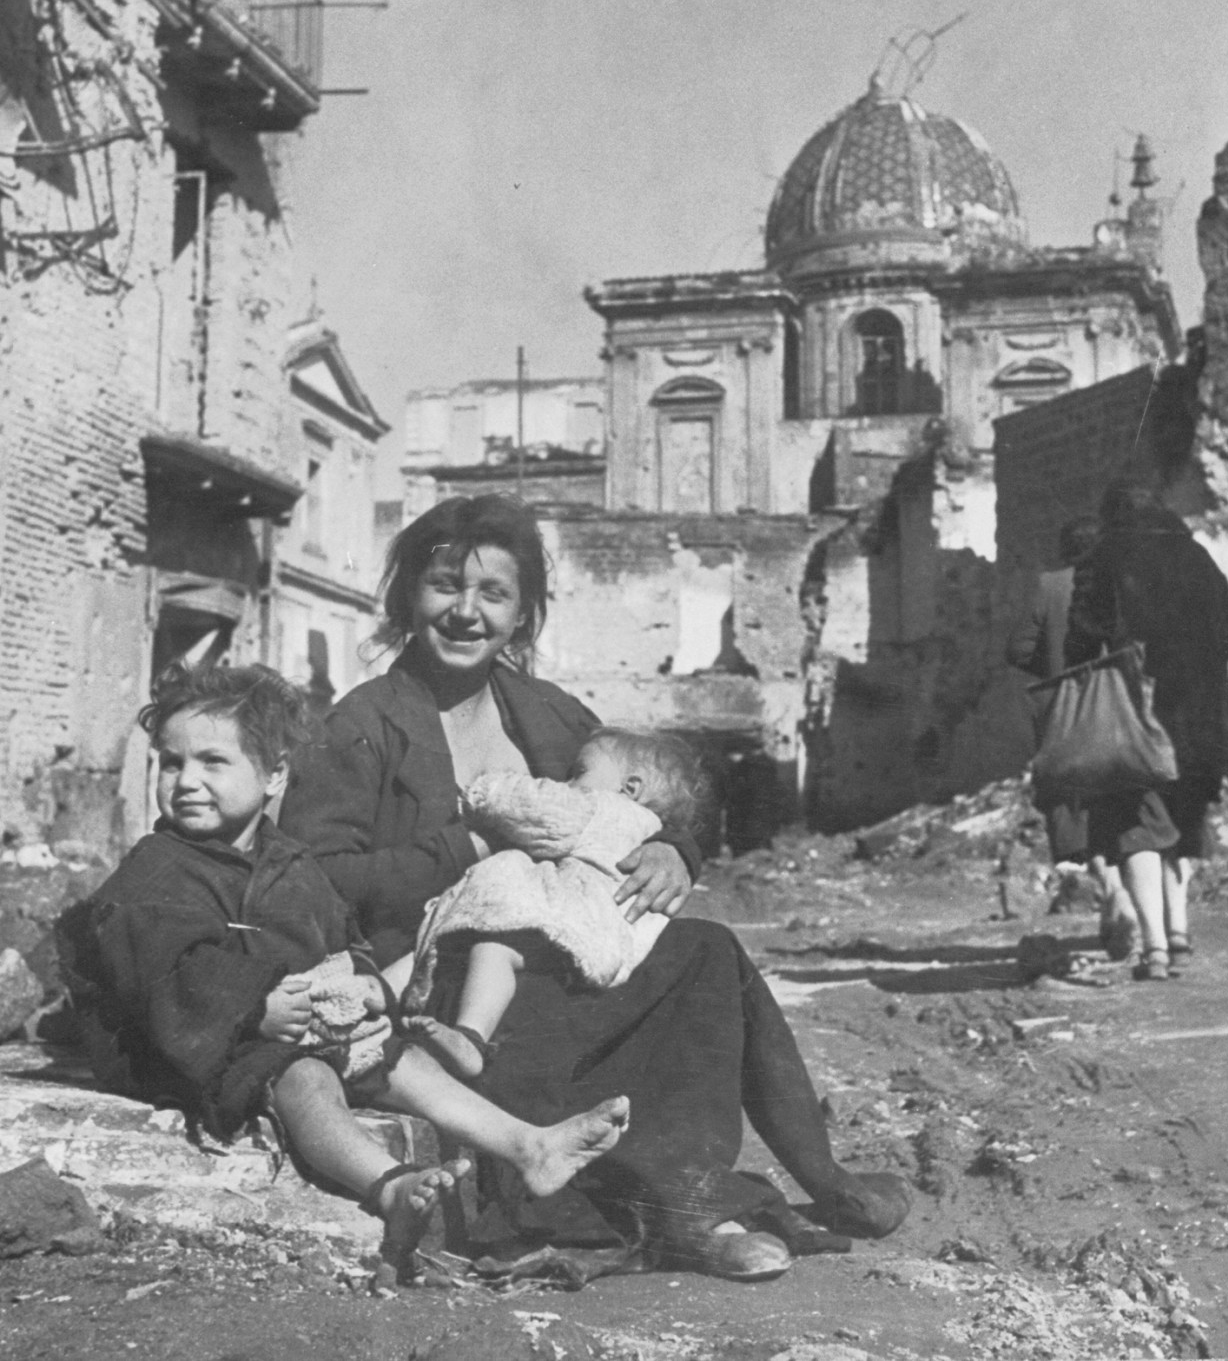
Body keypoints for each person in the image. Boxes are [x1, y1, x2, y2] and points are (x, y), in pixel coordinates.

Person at [281, 494, 910, 1280]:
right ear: (409, 594)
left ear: (523, 613)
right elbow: (314, 879)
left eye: (494, 594)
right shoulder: (362, 724)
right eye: (445, 586)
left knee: (705, 952)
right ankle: (670, 1215)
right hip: (439, 987)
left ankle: (794, 1182)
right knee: (537, 1013)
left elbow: (640, 791)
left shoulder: (542, 711)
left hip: (549, 955)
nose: (466, 612)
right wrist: (469, 844)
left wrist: (675, 850)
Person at [61, 664, 631, 1286]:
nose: (186, 782)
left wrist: (360, 983)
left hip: (286, 1021)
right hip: (182, 1044)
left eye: (212, 763)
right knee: (302, 1076)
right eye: (171, 764)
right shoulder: (157, 872)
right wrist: (253, 1008)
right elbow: (167, 972)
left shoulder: (288, 861)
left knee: (395, 1055)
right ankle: (387, 1186)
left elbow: (336, 933)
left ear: (274, 773)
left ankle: (529, 1146)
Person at [1065, 479, 1228, 980]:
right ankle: (1181, 931)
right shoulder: (1196, 559)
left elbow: (1083, 633)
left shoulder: (1106, 557)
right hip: (1200, 717)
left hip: (1138, 715)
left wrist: (1078, 678)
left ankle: (1156, 949)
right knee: (1184, 823)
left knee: (1138, 824)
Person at [395, 728, 721, 1071]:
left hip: (574, 932)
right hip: (598, 941)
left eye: (578, 773)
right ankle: (385, 992)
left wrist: (480, 792)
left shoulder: (601, 810)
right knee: (461, 932)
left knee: (492, 948)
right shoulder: (642, 830)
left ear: (630, 788)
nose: (566, 784)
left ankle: (471, 1036)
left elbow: (533, 806)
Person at [1009, 517, 1140, 961]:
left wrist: (1053, 671)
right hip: (1118, 715)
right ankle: (1126, 902)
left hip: (1066, 719)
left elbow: (1017, 649)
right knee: (1121, 807)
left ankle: (1112, 893)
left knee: (1071, 810)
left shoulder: (1049, 586)